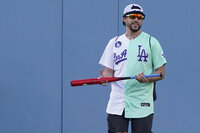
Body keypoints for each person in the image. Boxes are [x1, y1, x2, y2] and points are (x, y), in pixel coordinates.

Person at [99, 3, 167, 133]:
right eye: (132, 16)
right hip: (118, 101)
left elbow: (161, 73)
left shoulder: (151, 41)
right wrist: (104, 79)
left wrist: (147, 79)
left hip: (142, 101)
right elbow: (109, 72)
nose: (136, 19)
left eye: (140, 17)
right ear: (124, 19)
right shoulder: (114, 42)